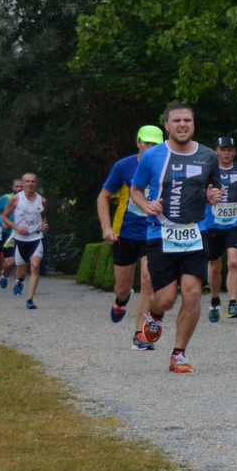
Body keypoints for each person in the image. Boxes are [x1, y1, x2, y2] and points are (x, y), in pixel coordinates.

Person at [129, 103, 225, 373]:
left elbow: (214, 190)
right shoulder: (153, 156)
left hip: (196, 232)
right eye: (177, 121)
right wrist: (146, 204)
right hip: (161, 233)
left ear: (193, 124)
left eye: (188, 120)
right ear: (167, 126)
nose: (183, 125)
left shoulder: (208, 155)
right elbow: (136, 190)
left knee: (192, 293)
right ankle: (154, 315)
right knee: (166, 299)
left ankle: (179, 354)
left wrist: (213, 196)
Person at [97, 125, 164, 339]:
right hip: (126, 232)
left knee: (148, 280)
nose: (151, 148)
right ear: (138, 142)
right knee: (122, 287)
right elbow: (103, 197)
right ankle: (121, 300)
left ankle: (140, 334)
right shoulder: (124, 165)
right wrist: (107, 227)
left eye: (155, 144)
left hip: (154, 232)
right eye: (147, 143)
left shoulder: (167, 166)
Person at [204, 136, 237, 322]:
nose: (226, 153)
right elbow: (198, 190)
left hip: (234, 222)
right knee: (215, 266)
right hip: (212, 223)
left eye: (229, 150)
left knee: (233, 262)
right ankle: (214, 301)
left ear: (234, 152)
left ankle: (233, 304)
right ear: (216, 151)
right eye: (223, 149)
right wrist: (208, 195)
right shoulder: (209, 169)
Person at [3, 172, 49, 308]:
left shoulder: (42, 200)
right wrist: (17, 227)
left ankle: (30, 300)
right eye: (27, 181)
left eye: (32, 181)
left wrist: (45, 224)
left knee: (35, 267)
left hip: (36, 237)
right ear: (22, 184)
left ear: (36, 183)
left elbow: (44, 216)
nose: (30, 184)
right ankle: (20, 280)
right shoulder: (16, 199)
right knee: (21, 271)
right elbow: (4, 216)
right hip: (20, 238)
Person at [0, 179, 22, 288]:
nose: (19, 189)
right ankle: (5, 274)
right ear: (13, 187)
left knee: (21, 261)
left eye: (21, 186)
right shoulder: (5, 198)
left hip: (23, 234)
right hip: (8, 234)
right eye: (17, 186)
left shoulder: (30, 199)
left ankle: (18, 284)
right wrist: (2, 223)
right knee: (10, 262)